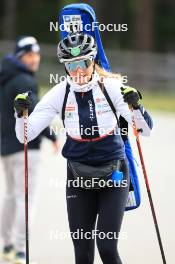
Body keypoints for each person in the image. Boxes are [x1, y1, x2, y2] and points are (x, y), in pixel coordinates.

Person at [14, 33, 153, 264]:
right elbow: (24, 136)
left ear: (93, 61)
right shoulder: (60, 93)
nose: (78, 71)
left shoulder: (111, 86)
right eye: (71, 65)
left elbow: (145, 131)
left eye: (83, 63)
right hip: (78, 176)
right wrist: (20, 114)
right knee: (83, 254)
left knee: (107, 247)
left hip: (114, 174)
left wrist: (137, 106)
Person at [0, 36, 58, 264]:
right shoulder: (25, 81)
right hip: (26, 148)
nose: (35, 59)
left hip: (6, 147)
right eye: (29, 55)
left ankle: (6, 244)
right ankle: (20, 249)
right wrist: (52, 136)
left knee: (12, 196)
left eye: (37, 55)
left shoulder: (5, 77)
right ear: (20, 56)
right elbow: (35, 115)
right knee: (26, 198)